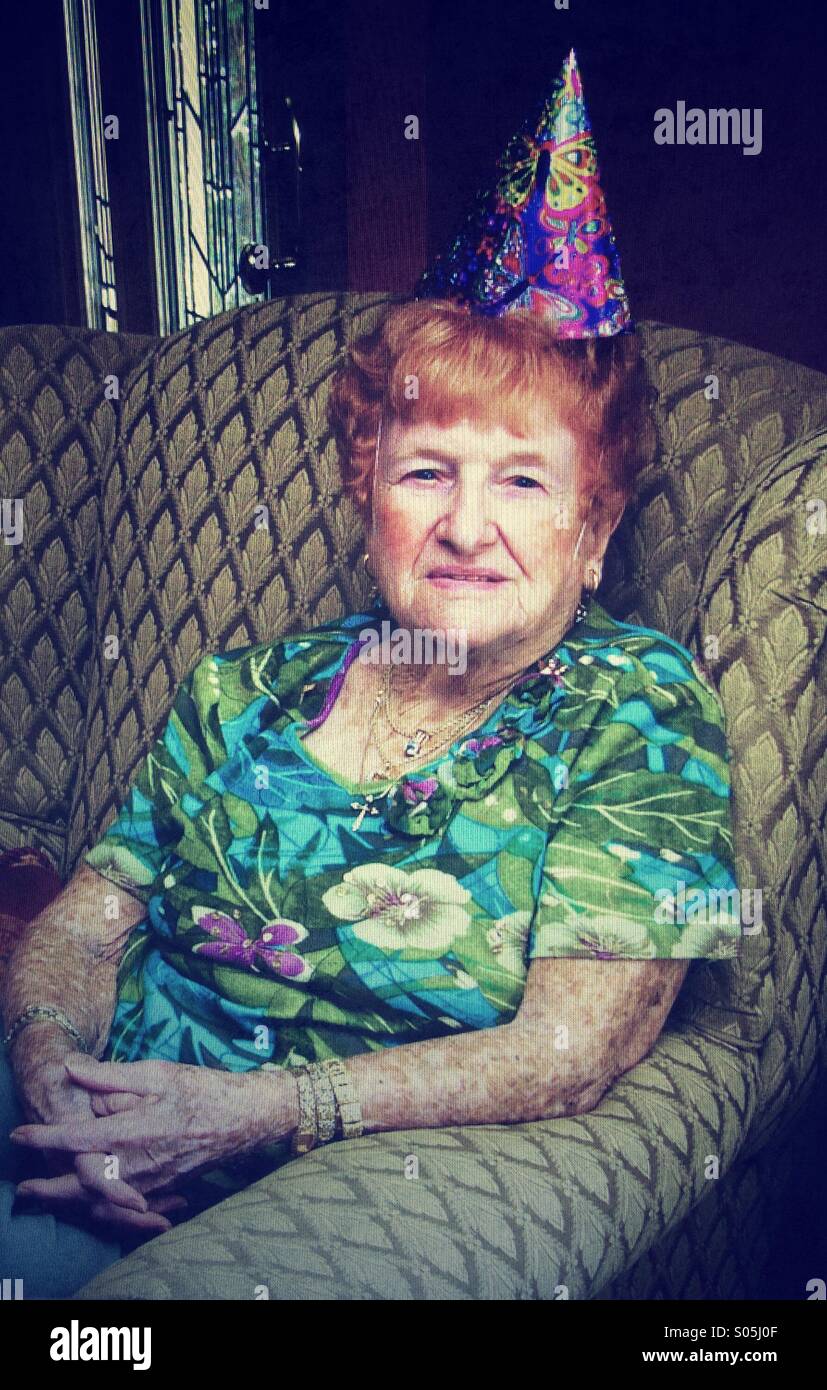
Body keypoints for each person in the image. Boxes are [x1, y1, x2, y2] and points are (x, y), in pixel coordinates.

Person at [0, 48, 741, 1299]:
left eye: (521, 478)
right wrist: (51, 1064)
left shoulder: (642, 711)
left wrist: (254, 1114)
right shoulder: (243, 687)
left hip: (276, 1188)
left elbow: (570, 1049)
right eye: (423, 470)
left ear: (595, 527)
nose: (464, 523)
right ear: (366, 494)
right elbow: (86, 915)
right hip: (76, 1123)